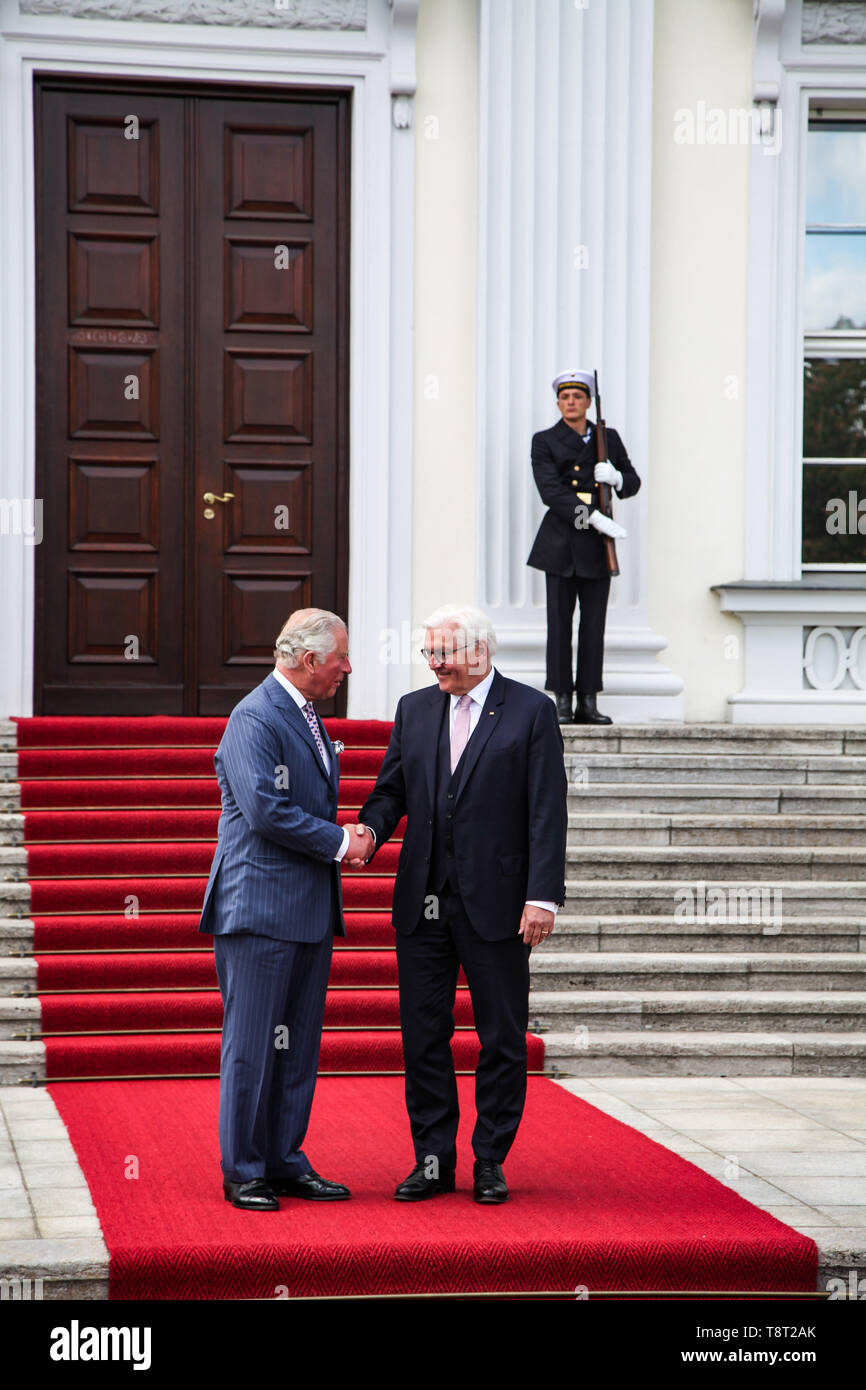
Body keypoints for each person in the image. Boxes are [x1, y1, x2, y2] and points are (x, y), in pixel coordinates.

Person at [347, 605, 567, 1204]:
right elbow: (391, 790)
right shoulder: (414, 710)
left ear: (481, 652)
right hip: (422, 903)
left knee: (501, 1037)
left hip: (498, 904)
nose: (435, 663)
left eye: (444, 652)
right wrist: (367, 832)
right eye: (429, 653)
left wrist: (542, 897)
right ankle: (433, 1161)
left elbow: (547, 811)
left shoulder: (531, 711)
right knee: (423, 1035)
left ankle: (490, 1160)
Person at [199, 608, 370, 1210]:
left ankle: (284, 1159)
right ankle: (244, 1168)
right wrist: (341, 841)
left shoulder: (308, 716)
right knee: (251, 1045)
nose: (347, 667)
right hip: (259, 910)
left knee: (295, 1046)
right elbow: (267, 812)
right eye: (340, 658)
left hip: (306, 909)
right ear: (307, 661)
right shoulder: (254, 716)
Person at [527, 369, 641, 725]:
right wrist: (592, 515)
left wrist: (618, 477)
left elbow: (633, 482)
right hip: (562, 541)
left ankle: (588, 700)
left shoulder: (609, 438)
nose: (571, 402)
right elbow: (551, 491)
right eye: (564, 397)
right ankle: (561, 700)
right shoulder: (544, 440)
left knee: (594, 625)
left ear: (588, 402)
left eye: (577, 397)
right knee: (559, 624)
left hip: (596, 547)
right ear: (558, 402)